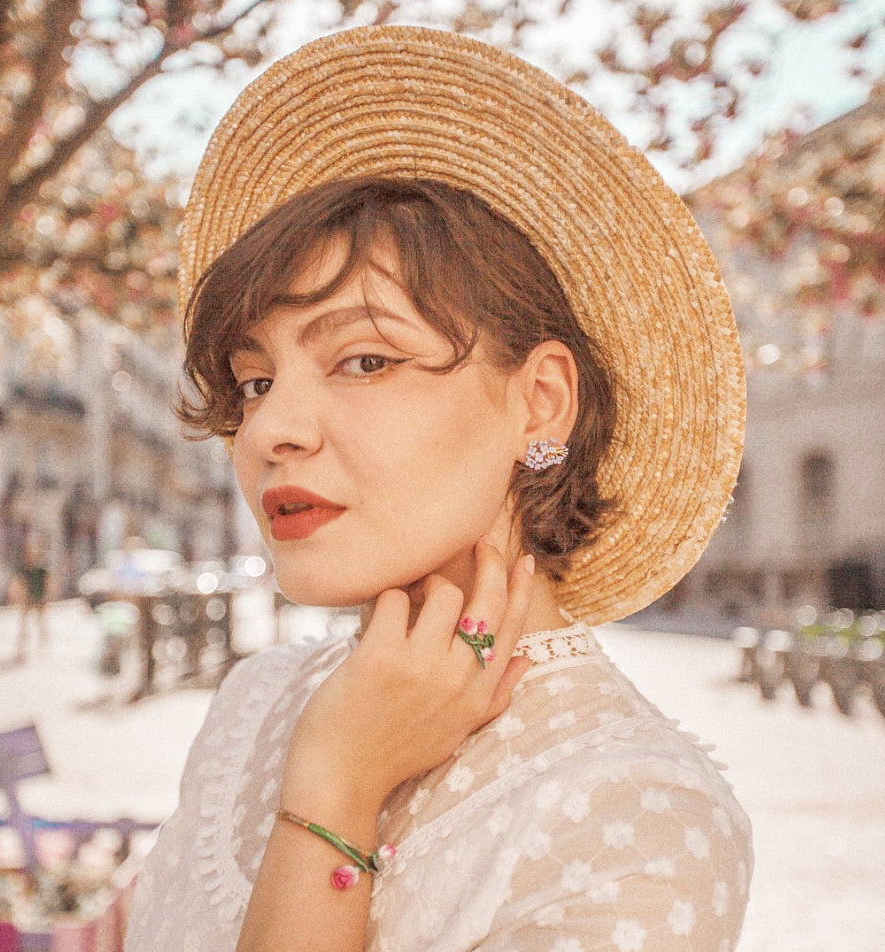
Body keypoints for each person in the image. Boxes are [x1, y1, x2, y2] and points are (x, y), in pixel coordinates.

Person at [125, 26, 751, 952]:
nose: (268, 429)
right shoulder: (255, 706)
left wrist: (335, 791)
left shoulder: (640, 818)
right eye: (254, 382)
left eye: (365, 359)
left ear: (541, 403)